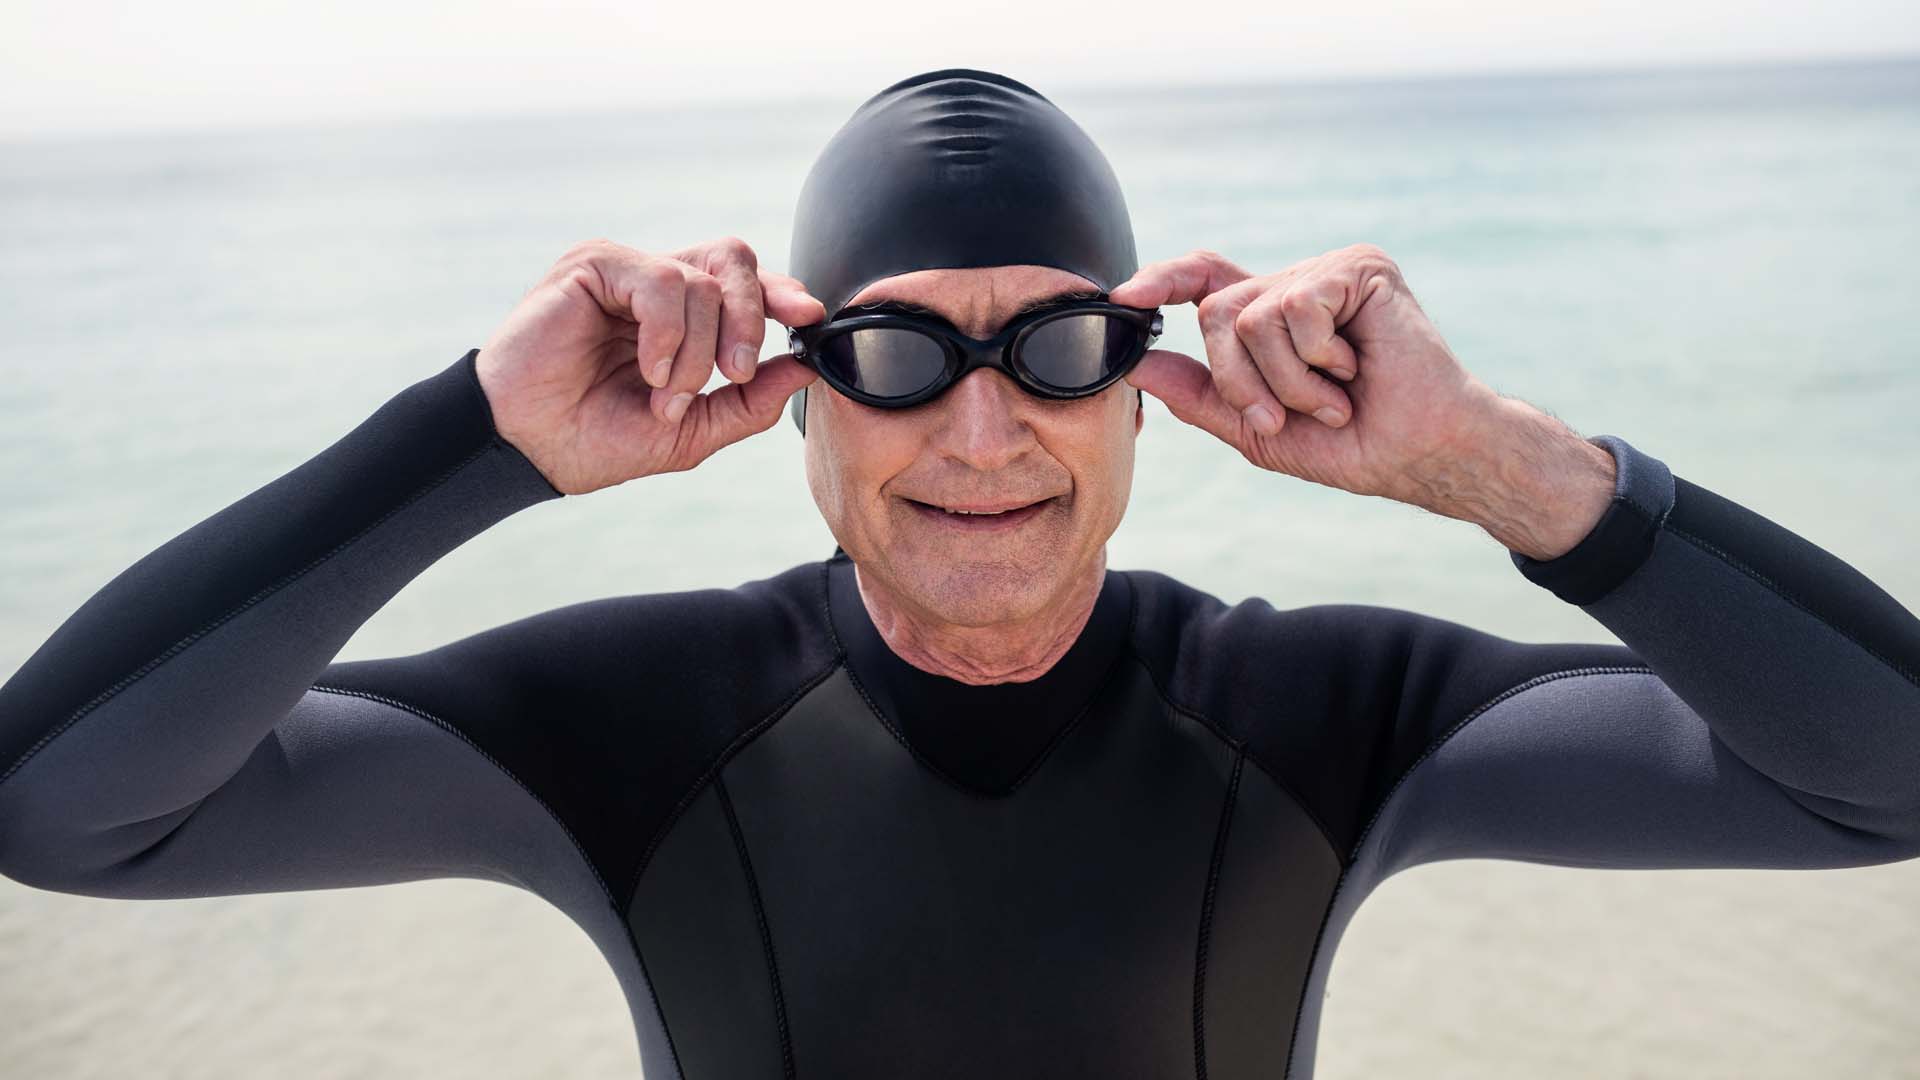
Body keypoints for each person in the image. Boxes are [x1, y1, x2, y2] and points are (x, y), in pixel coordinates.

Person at [1, 67, 1916, 1080]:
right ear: (799, 398)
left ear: (1147, 395)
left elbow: (1884, 778)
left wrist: (1497, 463)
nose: (985, 435)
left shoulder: (1330, 717)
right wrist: (470, 446)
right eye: (901, 356)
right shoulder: (623, 727)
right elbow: (64, 809)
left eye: (1057, 353)